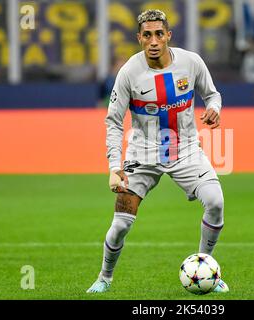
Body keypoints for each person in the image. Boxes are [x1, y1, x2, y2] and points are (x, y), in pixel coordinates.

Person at [87, 9, 228, 293]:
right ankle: (104, 278)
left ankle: (205, 267)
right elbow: (113, 121)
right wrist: (115, 167)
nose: (153, 41)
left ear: (168, 36)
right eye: (147, 35)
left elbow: (212, 94)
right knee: (121, 224)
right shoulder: (128, 72)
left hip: (186, 149)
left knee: (215, 202)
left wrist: (214, 109)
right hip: (142, 154)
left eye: (159, 34)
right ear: (139, 38)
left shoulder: (191, 62)